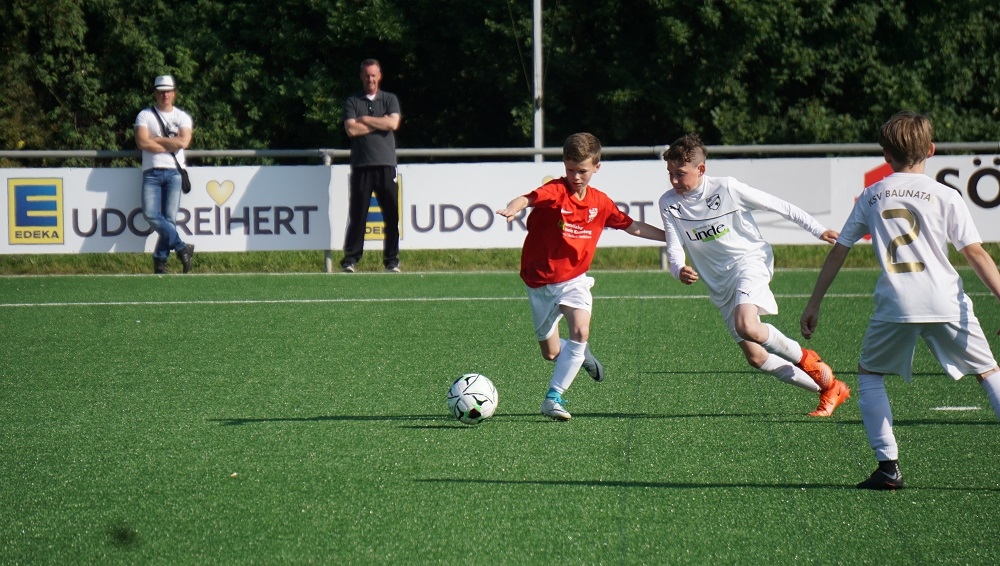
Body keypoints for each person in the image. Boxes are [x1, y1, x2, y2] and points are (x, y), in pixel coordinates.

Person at [801, 111, 1000, 490]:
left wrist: (814, 303)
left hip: (897, 303)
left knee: (870, 375)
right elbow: (975, 253)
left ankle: (888, 467)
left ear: (886, 155)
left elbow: (840, 250)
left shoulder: (872, 195)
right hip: (944, 299)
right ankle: (887, 467)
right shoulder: (946, 195)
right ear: (931, 150)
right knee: (989, 373)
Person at [658, 133, 850, 417]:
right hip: (719, 283)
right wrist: (678, 269)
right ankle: (830, 387)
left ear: (701, 169)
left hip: (750, 262)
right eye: (670, 174)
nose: (674, 181)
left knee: (747, 325)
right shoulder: (668, 202)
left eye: (680, 174)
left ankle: (810, 361)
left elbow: (778, 205)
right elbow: (674, 245)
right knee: (756, 357)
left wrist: (817, 229)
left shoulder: (727, 188)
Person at [496, 133, 666, 420]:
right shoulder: (556, 191)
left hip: (573, 280)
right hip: (538, 282)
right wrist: (514, 207)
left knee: (580, 331)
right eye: (571, 169)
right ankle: (580, 354)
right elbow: (528, 198)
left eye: (582, 171)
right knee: (551, 354)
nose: (575, 176)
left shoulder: (601, 203)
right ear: (564, 164)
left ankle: (553, 398)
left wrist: (671, 239)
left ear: (596, 167)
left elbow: (632, 226)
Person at [340, 58, 402, 273]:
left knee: (391, 214)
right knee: (358, 215)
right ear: (361, 76)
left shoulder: (389, 99)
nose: (370, 79)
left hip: (386, 164)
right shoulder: (352, 101)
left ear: (379, 76)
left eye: (373, 75)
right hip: (361, 165)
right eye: (367, 75)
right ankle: (351, 259)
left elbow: (393, 123)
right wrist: (379, 122)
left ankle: (392, 260)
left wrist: (365, 119)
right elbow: (351, 130)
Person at [134, 74, 195, 274]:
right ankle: (182, 247)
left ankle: (160, 261)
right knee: (150, 214)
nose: (165, 95)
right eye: (161, 91)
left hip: (174, 172)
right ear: (155, 93)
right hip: (151, 172)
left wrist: (156, 140)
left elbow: (183, 142)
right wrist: (170, 143)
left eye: (168, 91)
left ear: (174, 93)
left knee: (169, 219)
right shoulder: (144, 115)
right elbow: (142, 142)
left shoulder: (182, 116)